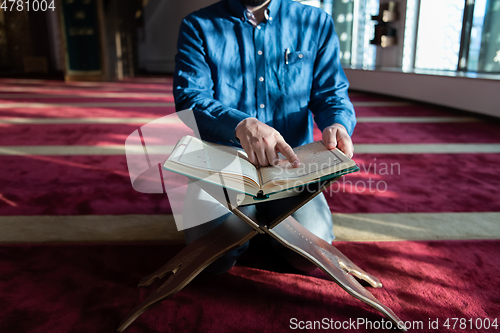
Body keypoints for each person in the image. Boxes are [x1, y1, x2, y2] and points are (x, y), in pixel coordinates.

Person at [173, 0, 356, 274]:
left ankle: (259, 223)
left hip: (291, 165)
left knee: (309, 256)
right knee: (209, 260)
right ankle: (256, 225)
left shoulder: (315, 22)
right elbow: (190, 97)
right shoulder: (198, 26)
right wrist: (239, 124)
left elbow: (332, 92)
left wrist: (338, 123)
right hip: (224, 160)